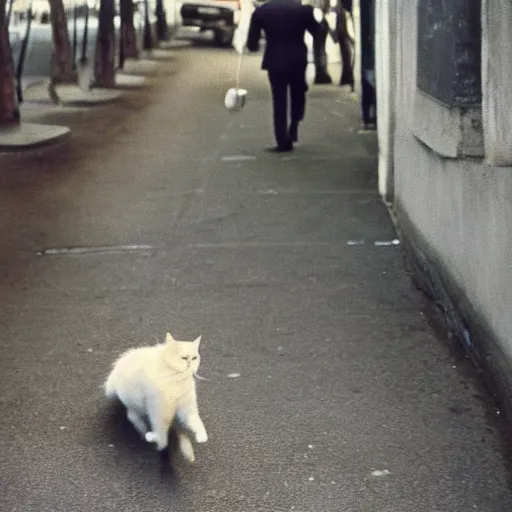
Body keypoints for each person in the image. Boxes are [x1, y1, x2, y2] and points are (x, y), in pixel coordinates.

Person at [246, 0, 321, 152]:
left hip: (275, 60)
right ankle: (294, 123)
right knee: (298, 92)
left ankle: (282, 140)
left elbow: (252, 43)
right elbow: (318, 33)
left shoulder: (263, 11)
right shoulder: (303, 10)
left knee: (279, 100)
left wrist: (253, 45)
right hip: (298, 58)